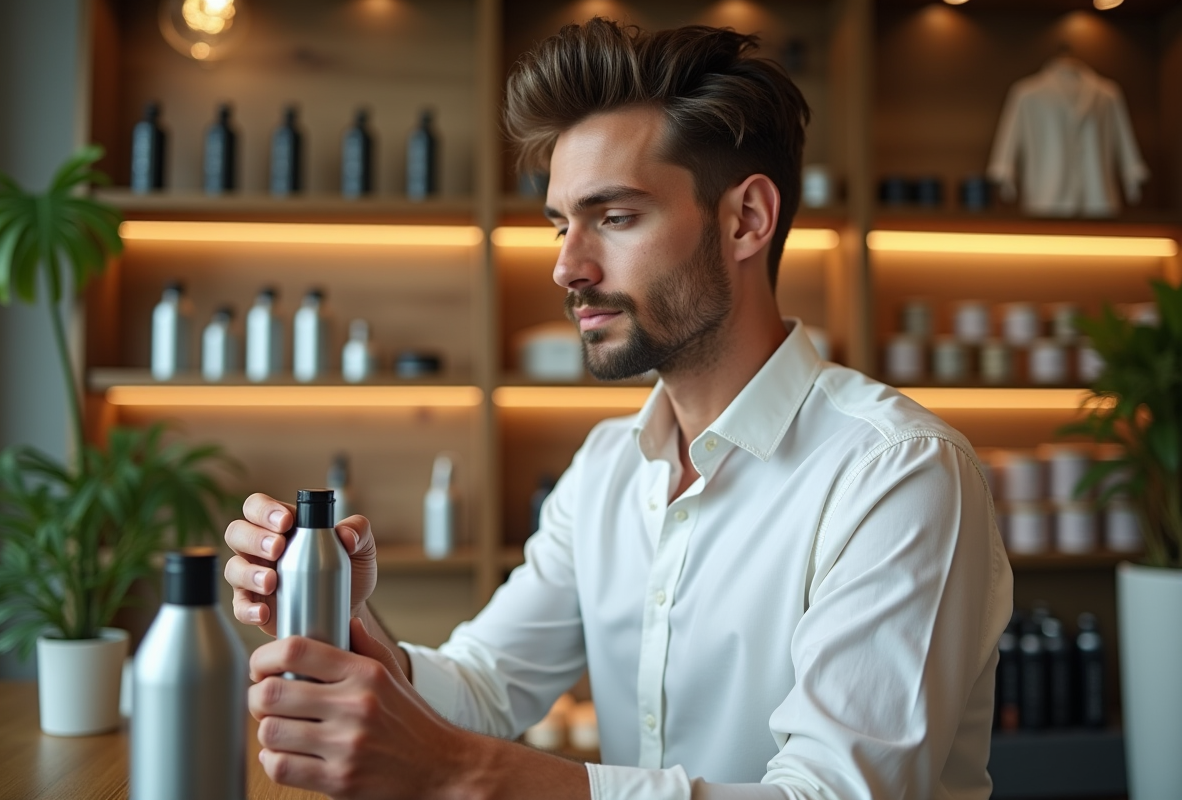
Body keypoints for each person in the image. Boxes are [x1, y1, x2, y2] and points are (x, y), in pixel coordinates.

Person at [224, 18, 1013, 800]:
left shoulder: (897, 473)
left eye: (615, 217)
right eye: (561, 225)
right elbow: (483, 688)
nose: (568, 266)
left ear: (746, 219)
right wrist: (348, 624)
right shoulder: (608, 466)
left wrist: (462, 773)